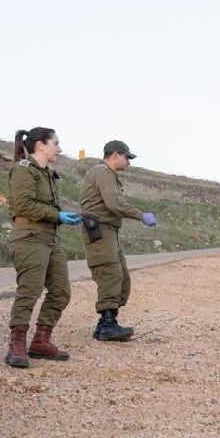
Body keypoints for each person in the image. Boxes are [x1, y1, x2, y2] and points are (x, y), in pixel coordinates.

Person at [4, 127, 81, 368]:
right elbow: (23, 205)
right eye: (55, 143)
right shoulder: (23, 170)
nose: (59, 148)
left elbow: (45, 206)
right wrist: (57, 215)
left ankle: (40, 341)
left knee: (61, 291)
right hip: (29, 237)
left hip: (50, 238)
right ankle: (16, 345)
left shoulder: (48, 173)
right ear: (40, 145)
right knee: (30, 290)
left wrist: (61, 216)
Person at [79, 140, 156, 341]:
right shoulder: (102, 172)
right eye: (126, 157)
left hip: (109, 231)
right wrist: (140, 215)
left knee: (120, 276)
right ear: (115, 155)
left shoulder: (107, 174)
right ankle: (107, 325)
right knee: (110, 274)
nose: (129, 161)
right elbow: (114, 203)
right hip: (99, 231)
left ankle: (107, 322)